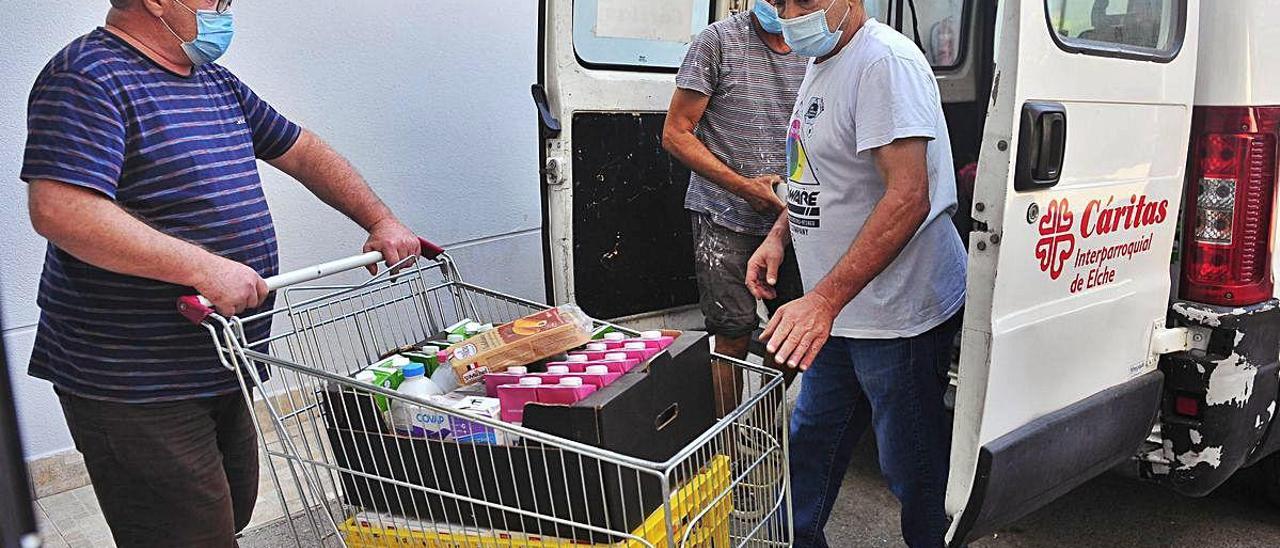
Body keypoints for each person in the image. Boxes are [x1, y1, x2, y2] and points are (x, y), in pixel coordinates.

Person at [21, 1, 421, 545]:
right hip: (136, 381)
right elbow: (62, 211)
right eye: (217, 0)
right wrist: (202, 266)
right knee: (185, 533)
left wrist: (380, 219)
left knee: (227, 512)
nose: (227, 9)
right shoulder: (87, 77)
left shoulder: (211, 81)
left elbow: (302, 152)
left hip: (219, 357)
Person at [747, 1, 967, 546]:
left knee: (911, 468)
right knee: (809, 444)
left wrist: (821, 300)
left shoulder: (884, 64)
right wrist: (780, 236)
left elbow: (908, 197)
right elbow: (817, 173)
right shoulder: (825, 60)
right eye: (779, 2)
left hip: (896, 317)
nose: (790, 13)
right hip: (840, 316)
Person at [662, 0, 807, 415]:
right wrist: (745, 188)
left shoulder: (815, 49)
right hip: (723, 215)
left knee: (793, 330)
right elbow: (675, 133)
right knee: (732, 333)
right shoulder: (718, 42)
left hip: (793, 216)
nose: (780, 7)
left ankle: (760, 422)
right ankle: (727, 441)